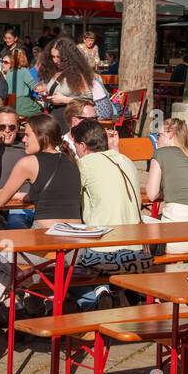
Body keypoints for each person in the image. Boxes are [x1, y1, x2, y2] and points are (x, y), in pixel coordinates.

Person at [71, 119, 150, 306]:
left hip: (104, 255)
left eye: (75, 146)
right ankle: (114, 293)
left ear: (82, 146)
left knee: (63, 270)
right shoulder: (125, 160)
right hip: (137, 254)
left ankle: (97, 295)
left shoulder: (85, 164)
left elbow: (69, 198)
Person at [0, 113, 81, 229]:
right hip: (76, 234)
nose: (23, 140)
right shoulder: (71, 160)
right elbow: (52, 196)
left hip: (46, 235)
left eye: (27, 135)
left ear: (42, 136)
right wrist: (18, 196)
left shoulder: (28, 163)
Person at [143, 117, 188, 254]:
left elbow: (151, 194)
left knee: (137, 221)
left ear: (170, 133)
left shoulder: (161, 153)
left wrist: (165, 191)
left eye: (159, 135)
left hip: (176, 241)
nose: (157, 140)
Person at [35, 35, 114, 121]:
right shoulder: (54, 70)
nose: (55, 60)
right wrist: (46, 92)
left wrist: (65, 100)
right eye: (53, 56)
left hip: (71, 120)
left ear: (67, 57)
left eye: (58, 57)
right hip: (54, 117)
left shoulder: (77, 73)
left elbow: (88, 100)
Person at [0, 47, 41, 117]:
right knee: (40, 110)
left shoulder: (9, 72)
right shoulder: (24, 71)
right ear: (24, 58)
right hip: (22, 103)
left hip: (10, 103)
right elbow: (34, 87)